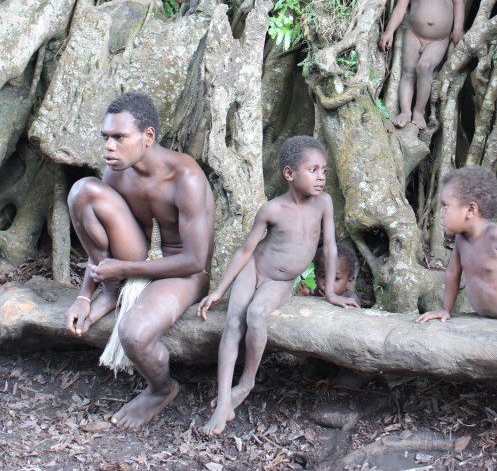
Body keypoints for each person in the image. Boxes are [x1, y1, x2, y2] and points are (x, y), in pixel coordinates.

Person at [64, 92, 215, 429]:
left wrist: (124, 269)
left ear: (148, 136)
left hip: (183, 271)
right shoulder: (116, 173)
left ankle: (161, 389)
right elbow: (100, 247)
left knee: (133, 334)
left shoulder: (185, 177)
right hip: (137, 258)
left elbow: (194, 260)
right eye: (105, 137)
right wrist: (84, 296)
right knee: (82, 191)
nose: (109, 146)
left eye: (119, 137)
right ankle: (110, 293)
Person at [197, 135, 358, 436]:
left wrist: (331, 293)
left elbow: (330, 246)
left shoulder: (324, 203)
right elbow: (246, 250)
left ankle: (246, 382)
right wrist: (219, 290)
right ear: (289, 174)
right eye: (313, 170)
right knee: (234, 321)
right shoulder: (272, 209)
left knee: (256, 314)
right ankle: (222, 401)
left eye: (324, 170)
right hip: (254, 269)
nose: (321, 177)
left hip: (281, 279)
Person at [416, 166, 497, 334]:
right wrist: (445, 309)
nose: (441, 214)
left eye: (446, 206)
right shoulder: (461, 239)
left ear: (471, 210)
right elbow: (452, 273)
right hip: (482, 316)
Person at [379, 0, 464, 130]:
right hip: (414, 35)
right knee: (408, 71)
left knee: (424, 67)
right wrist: (389, 31)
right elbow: (400, 9)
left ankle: (419, 111)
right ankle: (405, 110)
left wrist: (458, 29)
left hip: (439, 39)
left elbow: (458, 3)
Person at [296, 242, 360, 304]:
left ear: (349, 281)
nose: (328, 284)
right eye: (323, 276)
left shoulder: (350, 298)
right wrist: (305, 298)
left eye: (336, 278)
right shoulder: (317, 291)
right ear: (315, 275)